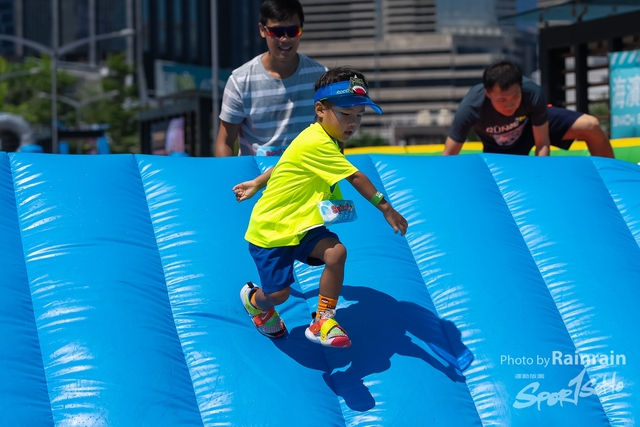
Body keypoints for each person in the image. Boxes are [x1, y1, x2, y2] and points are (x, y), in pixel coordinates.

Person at [232, 67, 408, 348]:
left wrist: (257, 182)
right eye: (346, 114)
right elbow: (355, 177)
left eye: (359, 115)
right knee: (278, 295)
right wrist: (386, 208)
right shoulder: (317, 141)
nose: (353, 123)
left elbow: (286, 162)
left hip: (303, 226)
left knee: (336, 253)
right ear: (320, 110)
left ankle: (323, 319)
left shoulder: (324, 138)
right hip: (272, 231)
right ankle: (254, 301)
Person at [215, 0, 326, 157]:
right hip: (256, 171)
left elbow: (333, 135)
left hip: (305, 170)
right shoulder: (240, 81)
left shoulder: (321, 77)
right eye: (277, 32)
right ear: (262, 30)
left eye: (293, 31)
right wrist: (230, 173)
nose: (285, 39)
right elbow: (225, 142)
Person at [442, 60, 615, 158]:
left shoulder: (532, 93)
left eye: (515, 97)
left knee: (591, 125)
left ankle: (610, 180)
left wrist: (540, 175)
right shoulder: (471, 107)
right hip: (498, 147)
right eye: (502, 100)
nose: (510, 105)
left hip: (530, 127)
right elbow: (449, 154)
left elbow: (542, 143)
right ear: (488, 93)